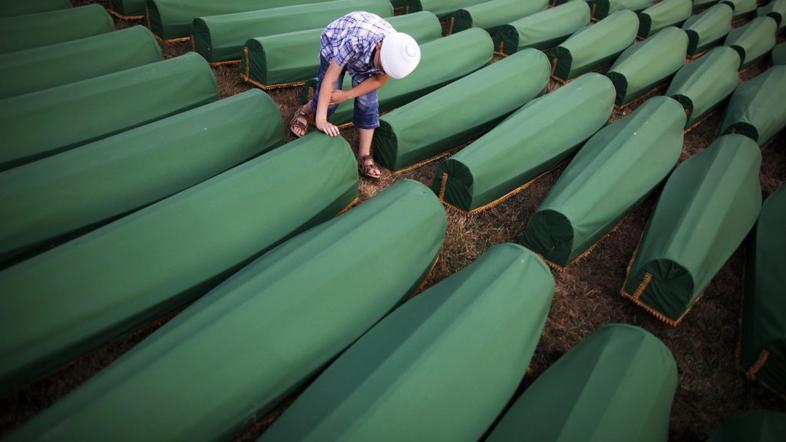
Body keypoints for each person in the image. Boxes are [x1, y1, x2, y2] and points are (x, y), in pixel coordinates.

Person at [288, 11, 421, 179]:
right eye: (382, 65)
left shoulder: (393, 56)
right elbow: (330, 78)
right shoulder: (355, 41)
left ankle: (364, 155)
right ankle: (304, 111)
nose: (382, 71)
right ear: (380, 44)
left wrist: (346, 95)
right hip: (335, 44)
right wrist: (321, 120)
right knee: (329, 99)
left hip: (366, 60)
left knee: (368, 103)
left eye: (386, 69)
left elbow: (379, 80)